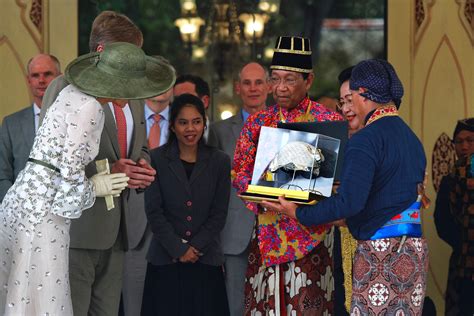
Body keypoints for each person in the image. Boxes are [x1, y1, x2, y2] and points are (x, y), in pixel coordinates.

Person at [0, 42, 175, 316]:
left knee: (24, 301)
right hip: (44, 213)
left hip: (24, 202)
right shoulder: (90, 109)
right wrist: (97, 185)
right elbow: (67, 199)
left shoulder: (73, 94)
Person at [263, 59, 428, 315]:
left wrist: (297, 212)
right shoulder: (411, 138)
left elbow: (350, 202)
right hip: (413, 253)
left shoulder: (366, 139)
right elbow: (388, 198)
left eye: (350, 97)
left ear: (363, 94)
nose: (348, 106)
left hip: (380, 252)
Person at [39, 11, 161, 316]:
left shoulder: (131, 91)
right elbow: (49, 158)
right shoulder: (65, 86)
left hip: (119, 230)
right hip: (75, 229)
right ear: (103, 51)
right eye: (128, 55)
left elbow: (140, 146)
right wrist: (108, 172)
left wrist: (141, 167)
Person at [232, 36, 342, 315]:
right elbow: (239, 172)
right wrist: (262, 197)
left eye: (290, 79)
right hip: (267, 233)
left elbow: (341, 183)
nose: (280, 87)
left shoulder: (328, 122)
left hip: (313, 234)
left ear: (309, 80)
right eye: (276, 79)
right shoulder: (258, 122)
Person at [141, 94, 231, 316]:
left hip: (206, 260)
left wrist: (195, 248)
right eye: (183, 122)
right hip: (165, 259)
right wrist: (179, 249)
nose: (190, 128)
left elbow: (219, 214)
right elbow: (154, 212)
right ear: (172, 126)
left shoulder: (219, 161)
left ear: (204, 123)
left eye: (196, 121)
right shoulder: (156, 159)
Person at [207, 62, 270, 316]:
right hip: (234, 232)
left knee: (273, 303)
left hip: (276, 227)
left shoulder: (286, 126)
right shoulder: (219, 131)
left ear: (268, 87)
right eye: (247, 83)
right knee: (235, 306)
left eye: (258, 82)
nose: (253, 88)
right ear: (237, 88)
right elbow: (211, 186)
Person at [120, 56, 175, 316]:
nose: (158, 86)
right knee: (133, 301)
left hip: (176, 225)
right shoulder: (126, 115)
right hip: (132, 221)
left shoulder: (190, 120)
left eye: (164, 79)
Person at [0, 54, 61, 202]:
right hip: (21, 213)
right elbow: (2, 174)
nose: (41, 80)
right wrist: (15, 206)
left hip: (66, 214)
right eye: (35, 75)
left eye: (47, 74)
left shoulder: (74, 119)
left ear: (60, 78)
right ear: (29, 80)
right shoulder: (11, 124)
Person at [434, 117, 474, 315]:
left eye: (470, 140)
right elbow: (442, 221)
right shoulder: (450, 180)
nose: (464, 146)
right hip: (463, 264)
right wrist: (464, 244)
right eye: (459, 141)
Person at [174, 74, 211, 141]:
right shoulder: (167, 136)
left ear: (205, 101)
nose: (179, 104)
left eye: (187, 98)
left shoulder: (223, 135)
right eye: (176, 100)